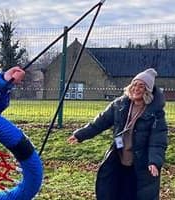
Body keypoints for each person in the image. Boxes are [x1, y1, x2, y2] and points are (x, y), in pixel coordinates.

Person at [67, 68, 168, 200]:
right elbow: (100, 122)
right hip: (118, 159)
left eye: (141, 86)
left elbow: (158, 140)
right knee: (113, 192)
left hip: (140, 165)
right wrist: (80, 135)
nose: (136, 89)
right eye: (134, 84)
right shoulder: (119, 105)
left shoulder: (155, 114)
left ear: (148, 91)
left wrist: (154, 161)